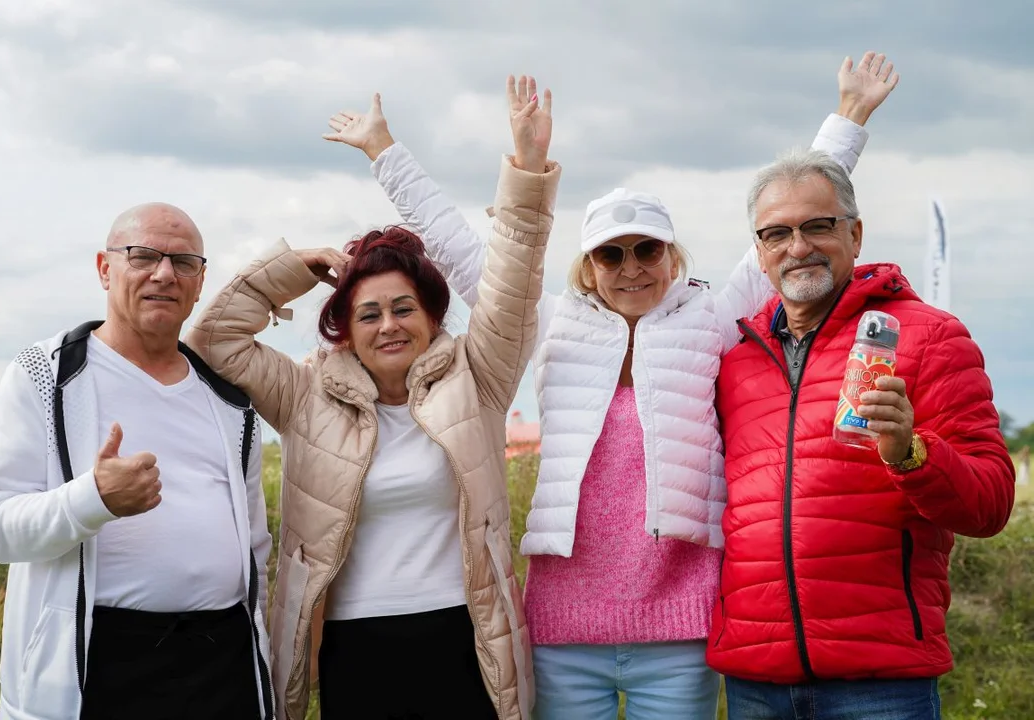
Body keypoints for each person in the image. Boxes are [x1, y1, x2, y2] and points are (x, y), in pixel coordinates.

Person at [321, 52, 898, 719]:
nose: (630, 267)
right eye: (610, 253)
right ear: (588, 267)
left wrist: (850, 115)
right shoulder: (546, 323)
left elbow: (790, 224)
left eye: (646, 250)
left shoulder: (712, 318)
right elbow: (454, 246)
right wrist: (383, 148)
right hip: (564, 631)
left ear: (672, 258)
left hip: (679, 629)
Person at [185, 75, 560, 720]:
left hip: (465, 637)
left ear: (433, 315)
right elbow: (213, 339)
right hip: (355, 644)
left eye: (403, 308)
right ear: (344, 328)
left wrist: (526, 170)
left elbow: (513, 282)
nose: (388, 325)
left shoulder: (480, 374)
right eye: (369, 313)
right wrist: (295, 266)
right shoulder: (306, 392)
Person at [710, 144, 1016, 718]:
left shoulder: (929, 337)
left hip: (879, 683)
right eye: (776, 234)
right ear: (759, 252)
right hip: (755, 680)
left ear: (855, 234)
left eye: (817, 226)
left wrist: (912, 453)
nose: (797, 247)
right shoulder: (735, 359)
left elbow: (991, 503)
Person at [0, 204, 273, 720]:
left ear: (200, 282)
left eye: (183, 262)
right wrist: (92, 499)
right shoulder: (44, 377)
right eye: (143, 256)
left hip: (223, 666)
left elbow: (256, 549)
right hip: (99, 665)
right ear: (103, 268)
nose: (163, 273)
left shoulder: (231, 401)